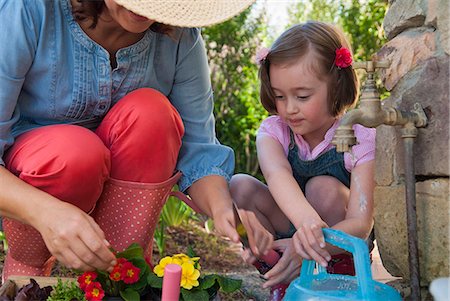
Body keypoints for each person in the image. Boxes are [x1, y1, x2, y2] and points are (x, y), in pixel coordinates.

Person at [0, 0, 276, 282]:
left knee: (153, 114)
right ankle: (27, 270)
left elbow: (199, 152)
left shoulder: (181, 37)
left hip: (124, 192)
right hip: (41, 171)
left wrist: (224, 210)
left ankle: (120, 274)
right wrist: (46, 213)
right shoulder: (30, 11)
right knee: (75, 153)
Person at [230, 21, 376, 300]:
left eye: (302, 96)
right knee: (239, 187)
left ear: (336, 86)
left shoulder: (359, 135)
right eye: (279, 96)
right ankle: (279, 268)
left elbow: (360, 223)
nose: (289, 108)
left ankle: (334, 273)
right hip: (297, 230)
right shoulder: (275, 130)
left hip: (339, 243)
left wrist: (312, 240)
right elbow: (277, 175)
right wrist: (306, 227)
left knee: (322, 187)